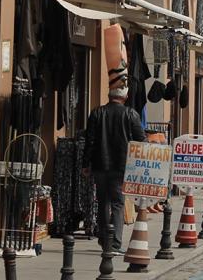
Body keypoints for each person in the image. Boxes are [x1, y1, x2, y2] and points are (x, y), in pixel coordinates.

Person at [83, 24, 145, 255]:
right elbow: (140, 139)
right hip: (121, 166)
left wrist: (85, 165)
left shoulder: (97, 113)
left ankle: (103, 239)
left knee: (103, 202)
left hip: (100, 165)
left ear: (110, 95)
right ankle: (116, 242)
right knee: (118, 203)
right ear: (125, 96)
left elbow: (90, 140)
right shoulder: (131, 114)